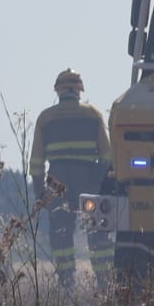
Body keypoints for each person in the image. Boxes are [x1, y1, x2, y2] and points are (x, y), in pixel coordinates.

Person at [30, 69, 111, 288]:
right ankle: (104, 282)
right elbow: (106, 156)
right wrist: (99, 183)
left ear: (57, 90)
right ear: (79, 90)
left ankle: (66, 282)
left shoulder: (46, 118)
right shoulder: (93, 115)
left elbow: (36, 163)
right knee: (97, 232)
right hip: (89, 180)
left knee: (61, 233)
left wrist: (40, 194)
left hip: (58, 182)